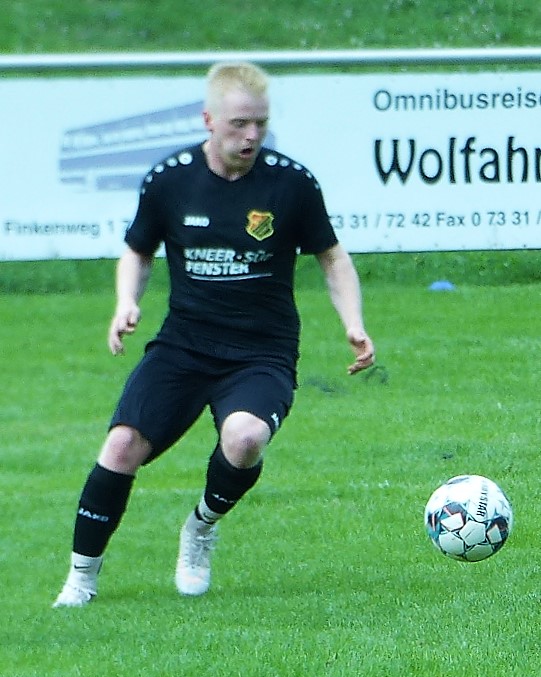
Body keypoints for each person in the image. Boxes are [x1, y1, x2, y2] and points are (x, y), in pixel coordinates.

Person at [53, 61, 375, 608]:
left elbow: (332, 256)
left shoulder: (291, 184)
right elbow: (137, 251)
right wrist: (126, 302)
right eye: (239, 124)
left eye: (261, 124)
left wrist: (353, 323)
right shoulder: (170, 180)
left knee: (245, 439)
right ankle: (80, 579)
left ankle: (201, 526)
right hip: (183, 346)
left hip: (261, 352)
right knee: (121, 445)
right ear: (209, 119)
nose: (251, 136)